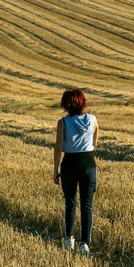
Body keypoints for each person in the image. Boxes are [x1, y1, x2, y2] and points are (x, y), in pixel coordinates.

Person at [53, 88, 99, 255]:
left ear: (66, 104)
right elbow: (95, 143)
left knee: (70, 204)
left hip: (69, 165)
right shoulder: (93, 119)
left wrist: (55, 170)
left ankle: (69, 240)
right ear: (82, 102)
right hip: (88, 165)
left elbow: (58, 148)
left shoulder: (63, 123)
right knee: (87, 206)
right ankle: (84, 244)